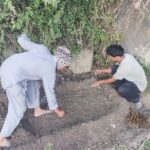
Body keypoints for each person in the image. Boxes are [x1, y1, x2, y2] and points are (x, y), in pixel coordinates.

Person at [0, 34, 72, 147]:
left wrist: (21, 36)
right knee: (18, 109)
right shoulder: (49, 70)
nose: (63, 70)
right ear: (62, 63)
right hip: (11, 77)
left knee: (35, 81)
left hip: (8, 65)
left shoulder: (43, 49)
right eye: (65, 67)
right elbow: (50, 92)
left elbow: (23, 42)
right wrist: (56, 109)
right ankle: (2, 138)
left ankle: (37, 110)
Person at [91, 44, 147, 112]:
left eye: (109, 56)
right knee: (116, 69)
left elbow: (112, 79)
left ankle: (137, 101)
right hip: (131, 77)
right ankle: (122, 85)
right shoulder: (125, 56)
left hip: (138, 84)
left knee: (122, 90)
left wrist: (99, 82)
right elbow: (114, 69)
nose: (108, 58)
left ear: (116, 57)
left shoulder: (125, 66)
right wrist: (101, 71)